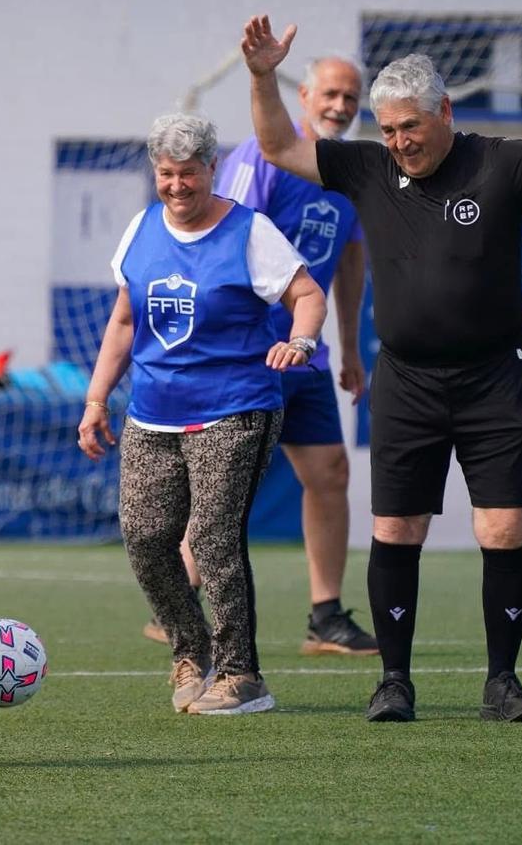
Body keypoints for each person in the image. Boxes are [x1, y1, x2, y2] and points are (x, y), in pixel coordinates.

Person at [241, 14, 522, 723]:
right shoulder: (368, 167)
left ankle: (502, 682)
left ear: (444, 111)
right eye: (386, 130)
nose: (398, 142)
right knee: (396, 531)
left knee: (502, 528)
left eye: (410, 127)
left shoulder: (502, 160)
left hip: (495, 380)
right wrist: (262, 75)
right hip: (407, 381)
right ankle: (393, 681)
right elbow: (278, 145)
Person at [78, 112, 327, 715]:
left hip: (235, 409)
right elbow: (123, 320)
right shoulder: (139, 229)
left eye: (189, 173)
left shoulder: (250, 230)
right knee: (144, 537)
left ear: (212, 169)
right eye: (166, 174)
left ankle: (243, 676)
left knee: (213, 538)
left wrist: (301, 341)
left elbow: (308, 294)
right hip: (152, 414)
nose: (177, 185)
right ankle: (191, 652)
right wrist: (94, 399)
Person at [142, 55, 375, 656]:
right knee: (224, 488)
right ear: (304, 97)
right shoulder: (261, 159)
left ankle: (325, 615)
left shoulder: (346, 170)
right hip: (248, 356)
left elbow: (350, 260)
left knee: (330, 475)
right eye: (330, 94)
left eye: (351, 98)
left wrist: (348, 346)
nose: (340, 107)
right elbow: (222, 237)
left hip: (306, 354)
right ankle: (179, 602)